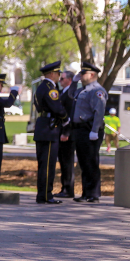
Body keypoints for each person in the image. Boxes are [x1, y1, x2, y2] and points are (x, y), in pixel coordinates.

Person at [33, 61, 69, 204]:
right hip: (49, 129)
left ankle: (42, 194)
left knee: (43, 164)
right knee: (48, 164)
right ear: (52, 74)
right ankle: (46, 195)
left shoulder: (41, 87)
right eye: (58, 73)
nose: (59, 76)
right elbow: (57, 107)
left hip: (43, 127)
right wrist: (66, 119)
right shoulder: (50, 88)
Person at [71, 61, 107, 203]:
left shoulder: (97, 91)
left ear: (92, 74)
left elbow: (99, 112)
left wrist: (94, 130)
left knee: (91, 161)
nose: (81, 75)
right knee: (83, 162)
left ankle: (94, 193)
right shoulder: (82, 89)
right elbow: (70, 94)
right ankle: (86, 192)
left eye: (83, 73)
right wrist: (74, 82)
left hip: (90, 129)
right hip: (80, 129)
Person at [55, 70, 76, 198]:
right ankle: (64, 187)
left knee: (67, 162)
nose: (60, 81)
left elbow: (69, 115)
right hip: (61, 132)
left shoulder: (70, 94)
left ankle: (68, 189)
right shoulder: (63, 92)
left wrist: (66, 132)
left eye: (62, 79)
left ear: (69, 80)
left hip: (67, 134)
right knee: (63, 162)